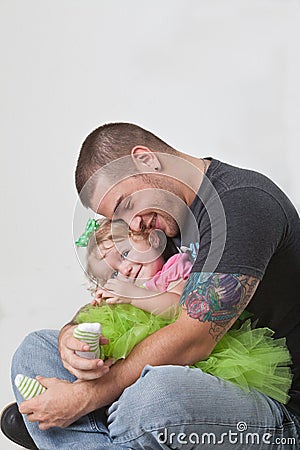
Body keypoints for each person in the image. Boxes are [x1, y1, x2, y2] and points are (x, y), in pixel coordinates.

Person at [11, 122, 300, 449]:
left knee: (151, 400)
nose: (132, 224)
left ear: (146, 160)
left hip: (277, 409)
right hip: (188, 377)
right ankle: (101, 435)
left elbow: (192, 340)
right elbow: (118, 293)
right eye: (119, 220)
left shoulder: (242, 204)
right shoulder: (163, 219)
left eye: (126, 205)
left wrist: (84, 397)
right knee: (36, 351)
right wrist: (70, 335)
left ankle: (84, 430)